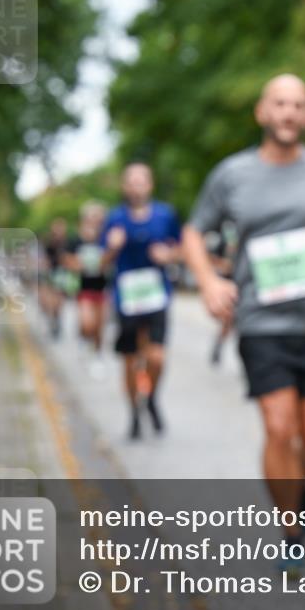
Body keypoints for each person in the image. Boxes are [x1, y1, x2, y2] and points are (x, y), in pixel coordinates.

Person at [183, 74, 305, 574]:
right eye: (279, 103)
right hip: (261, 320)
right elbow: (192, 230)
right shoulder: (232, 175)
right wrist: (207, 281)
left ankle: (297, 485)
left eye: (298, 105)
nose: (288, 112)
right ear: (262, 112)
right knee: (278, 426)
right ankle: (291, 529)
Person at [102, 163, 182, 440]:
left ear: (150, 184)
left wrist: (169, 255)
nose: (137, 186)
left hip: (157, 295)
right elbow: (100, 262)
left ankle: (151, 398)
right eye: (131, 181)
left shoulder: (165, 215)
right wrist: (112, 248)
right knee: (130, 360)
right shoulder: (114, 218)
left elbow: (182, 248)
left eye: (142, 181)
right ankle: (134, 414)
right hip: (127, 297)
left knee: (156, 357)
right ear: (125, 186)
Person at [63, 201, 109, 378]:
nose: (96, 221)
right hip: (83, 289)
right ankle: (83, 339)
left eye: (99, 218)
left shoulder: (105, 239)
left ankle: (97, 356)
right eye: (93, 217)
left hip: (102, 288)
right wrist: (80, 265)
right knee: (87, 323)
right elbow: (67, 260)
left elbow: (111, 259)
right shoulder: (75, 239)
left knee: (99, 327)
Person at [204, 228, 235, 366]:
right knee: (229, 320)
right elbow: (211, 258)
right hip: (228, 284)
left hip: (246, 285)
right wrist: (224, 265)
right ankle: (219, 343)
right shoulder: (223, 239)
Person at [39, 218, 70, 339]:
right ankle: (53, 321)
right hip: (51, 275)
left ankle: (57, 321)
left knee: (58, 303)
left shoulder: (67, 243)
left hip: (63, 275)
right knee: (49, 302)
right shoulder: (49, 244)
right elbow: (45, 261)